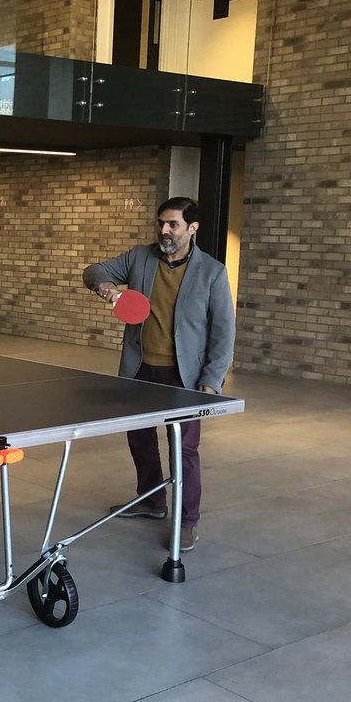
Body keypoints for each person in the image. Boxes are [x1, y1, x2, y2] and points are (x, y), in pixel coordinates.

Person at [82, 197, 234, 551]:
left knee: (184, 449)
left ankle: (187, 520)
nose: (164, 231)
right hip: (140, 369)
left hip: (185, 376)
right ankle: (152, 501)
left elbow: (224, 331)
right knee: (140, 438)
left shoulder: (212, 272)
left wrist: (211, 379)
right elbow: (93, 271)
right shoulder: (139, 256)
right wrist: (105, 286)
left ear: (191, 229)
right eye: (161, 223)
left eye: (173, 225)